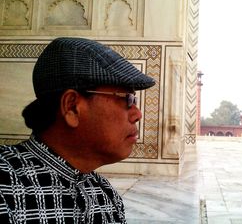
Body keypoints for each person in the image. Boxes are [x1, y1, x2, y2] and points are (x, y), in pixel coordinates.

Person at [0, 37, 155, 223]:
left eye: (134, 100)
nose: (137, 114)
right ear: (72, 107)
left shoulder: (105, 194)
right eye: (126, 99)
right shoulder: (7, 185)